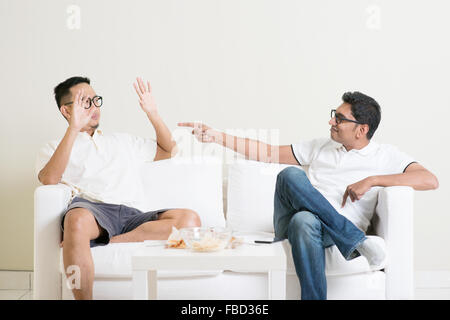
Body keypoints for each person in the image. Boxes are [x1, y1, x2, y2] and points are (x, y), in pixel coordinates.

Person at [178, 91, 439, 300]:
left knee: (306, 219)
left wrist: (372, 180)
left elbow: (429, 179)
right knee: (289, 176)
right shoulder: (320, 146)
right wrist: (217, 136)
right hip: (288, 225)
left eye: (339, 118)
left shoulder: (386, 156)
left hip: (322, 232)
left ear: (361, 129)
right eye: (333, 115)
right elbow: (267, 152)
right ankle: (355, 239)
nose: (331, 122)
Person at [36, 76, 201, 300]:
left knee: (190, 220)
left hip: (132, 215)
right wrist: (74, 129)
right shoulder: (55, 147)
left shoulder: (122, 141)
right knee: (75, 220)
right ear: (66, 111)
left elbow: (169, 150)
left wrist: (152, 112)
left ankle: (108, 241)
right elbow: (49, 179)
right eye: (86, 102)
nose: (94, 107)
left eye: (96, 100)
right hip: (93, 213)